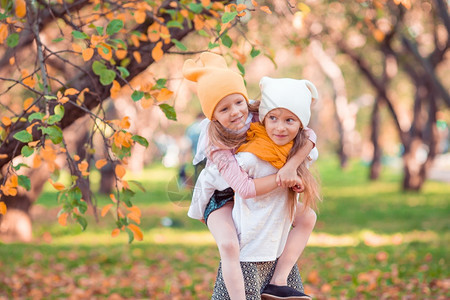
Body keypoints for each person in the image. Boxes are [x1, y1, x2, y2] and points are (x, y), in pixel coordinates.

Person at [183, 52, 318, 299]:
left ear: (246, 99)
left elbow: (309, 135)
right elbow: (244, 188)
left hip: (250, 192)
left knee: (308, 217)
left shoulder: (259, 114)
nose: (235, 112)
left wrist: (290, 168)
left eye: (238, 102)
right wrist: (282, 179)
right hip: (220, 198)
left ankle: (278, 280)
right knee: (230, 244)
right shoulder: (216, 146)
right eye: (224, 109)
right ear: (213, 116)